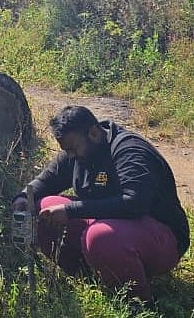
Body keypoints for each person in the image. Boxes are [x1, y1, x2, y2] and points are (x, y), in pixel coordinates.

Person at [13, 105, 190, 305]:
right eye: (66, 150)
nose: (70, 155)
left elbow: (134, 203)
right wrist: (22, 198)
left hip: (162, 235)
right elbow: (47, 180)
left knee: (100, 237)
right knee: (42, 208)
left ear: (94, 133)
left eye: (73, 149)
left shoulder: (129, 151)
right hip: (112, 225)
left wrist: (71, 211)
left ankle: (138, 304)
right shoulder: (79, 150)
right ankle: (93, 279)